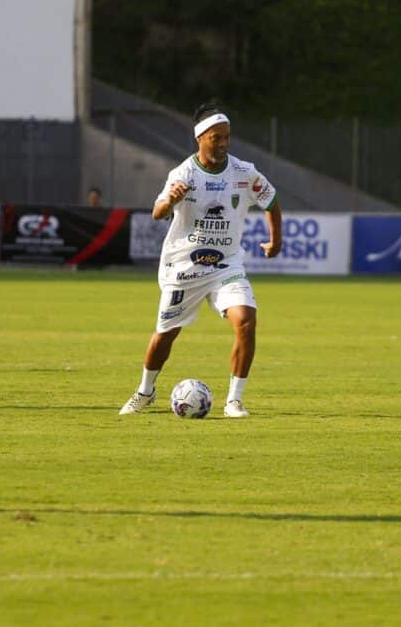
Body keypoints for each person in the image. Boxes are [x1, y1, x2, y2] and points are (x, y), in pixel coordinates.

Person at [119, 104, 282, 419]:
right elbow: (157, 213)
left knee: (246, 322)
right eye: (216, 137)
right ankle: (145, 391)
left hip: (226, 265)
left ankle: (234, 401)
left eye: (227, 137)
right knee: (165, 334)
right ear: (200, 138)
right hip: (184, 269)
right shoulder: (183, 174)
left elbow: (271, 201)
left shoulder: (244, 172)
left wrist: (276, 241)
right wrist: (171, 200)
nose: (224, 143)